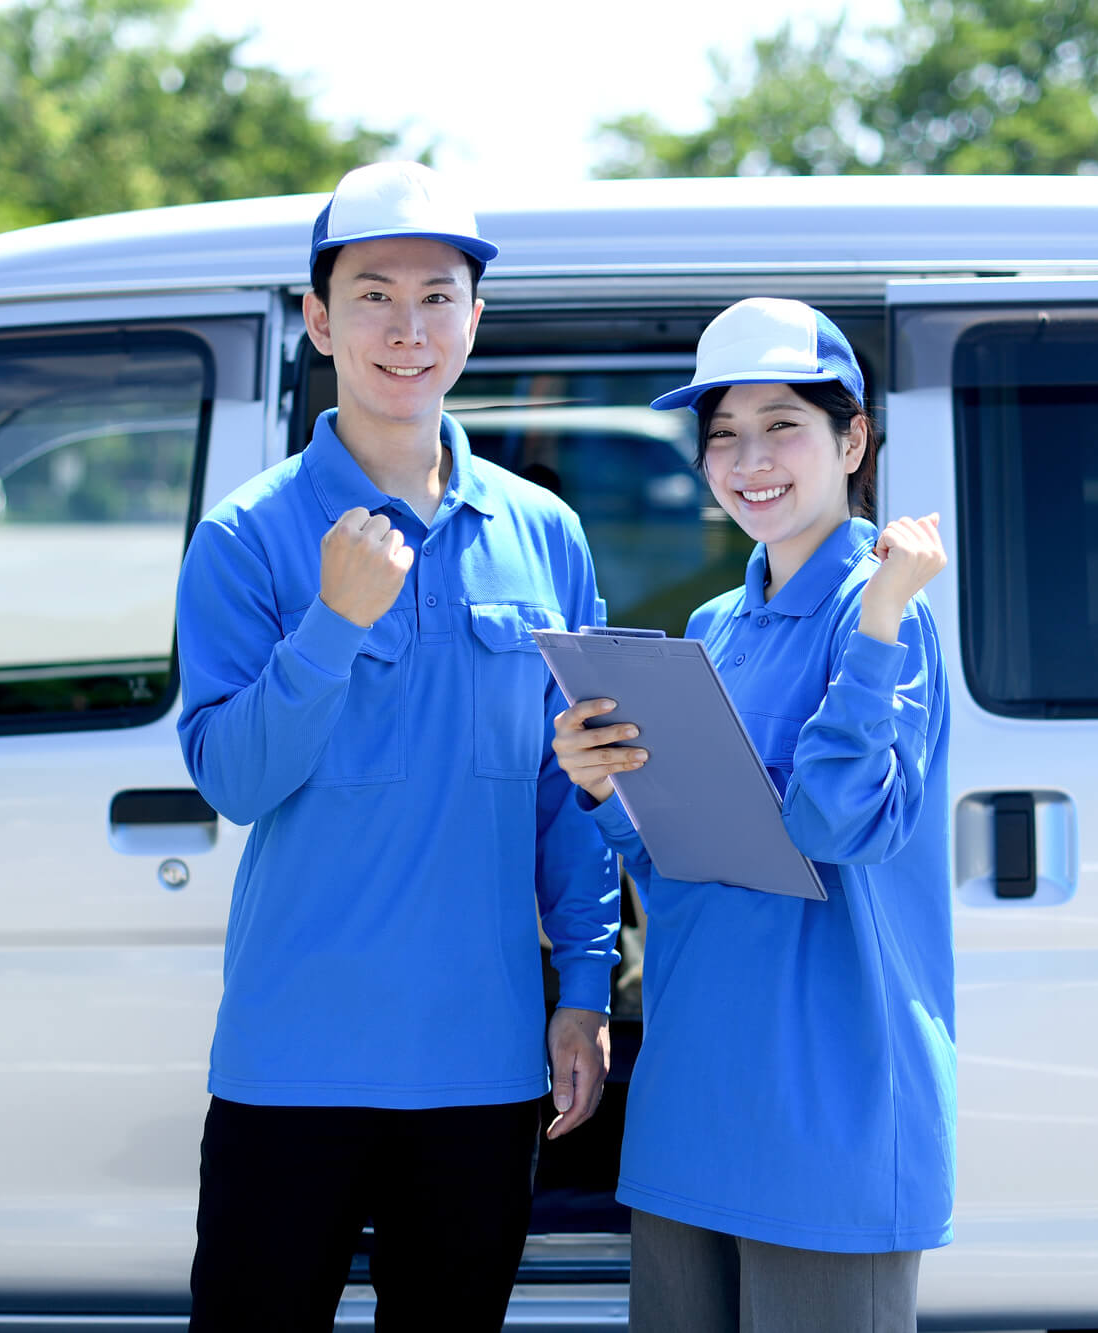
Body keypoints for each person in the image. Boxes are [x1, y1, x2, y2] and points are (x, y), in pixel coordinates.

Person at [174, 161, 620, 1332]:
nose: (406, 329)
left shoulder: (545, 534)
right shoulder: (244, 536)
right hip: (291, 1064)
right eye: (372, 295)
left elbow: (567, 785)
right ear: (318, 320)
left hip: (479, 1068)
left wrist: (580, 987)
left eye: (437, 295)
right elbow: (231, 776)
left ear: (476, 320)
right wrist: (331, 625)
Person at [551, 298, 955, 1333]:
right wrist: (606, 789)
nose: (748, 458)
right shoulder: (714, 625)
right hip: (698, 1098)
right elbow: (690, 857)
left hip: (828, 1103)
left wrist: (871, 622)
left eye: (782, 425)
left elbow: (832, 829)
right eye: (723, 434)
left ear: (851, 438)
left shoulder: (888, 618)